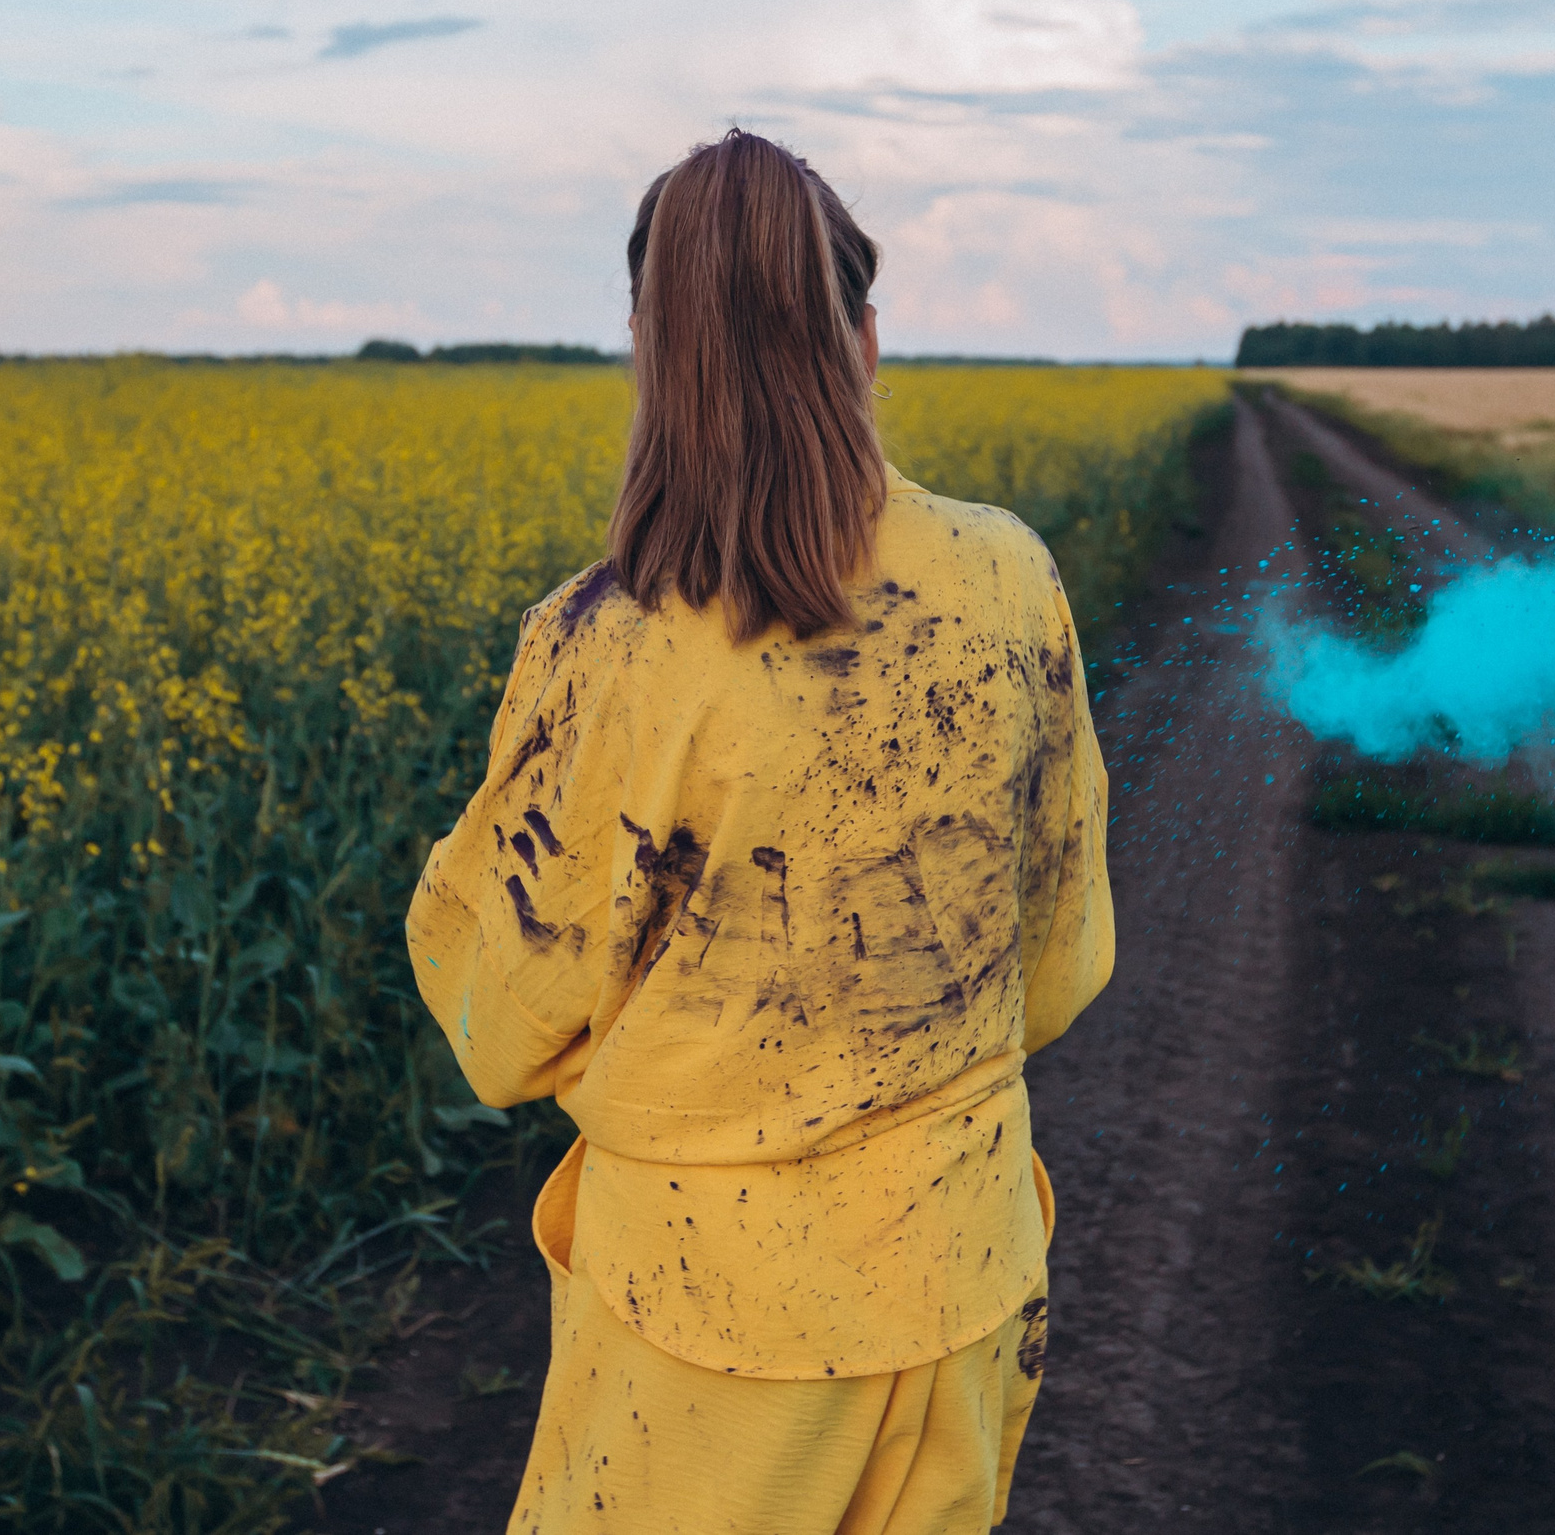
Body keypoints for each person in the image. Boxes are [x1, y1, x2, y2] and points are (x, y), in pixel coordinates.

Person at [408, 130, 1113, 1533]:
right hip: (968, 1268)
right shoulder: (1009, 576)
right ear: (862, 334)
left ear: (650, 350)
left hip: (713, 1321)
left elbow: (502, 1022)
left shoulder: (599, 644)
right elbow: (1057, 956)